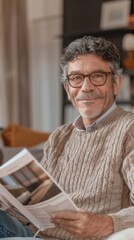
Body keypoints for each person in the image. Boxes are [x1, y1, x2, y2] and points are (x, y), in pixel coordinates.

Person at [0, 35, 134, 240]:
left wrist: (107, 223)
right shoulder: (59, 136)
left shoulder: (129, 129)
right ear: (67, 88)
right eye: (76, 78)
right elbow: (34, 208)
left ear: (116, 84)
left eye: (97, 76)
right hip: (34, 234)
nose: (86, 87)